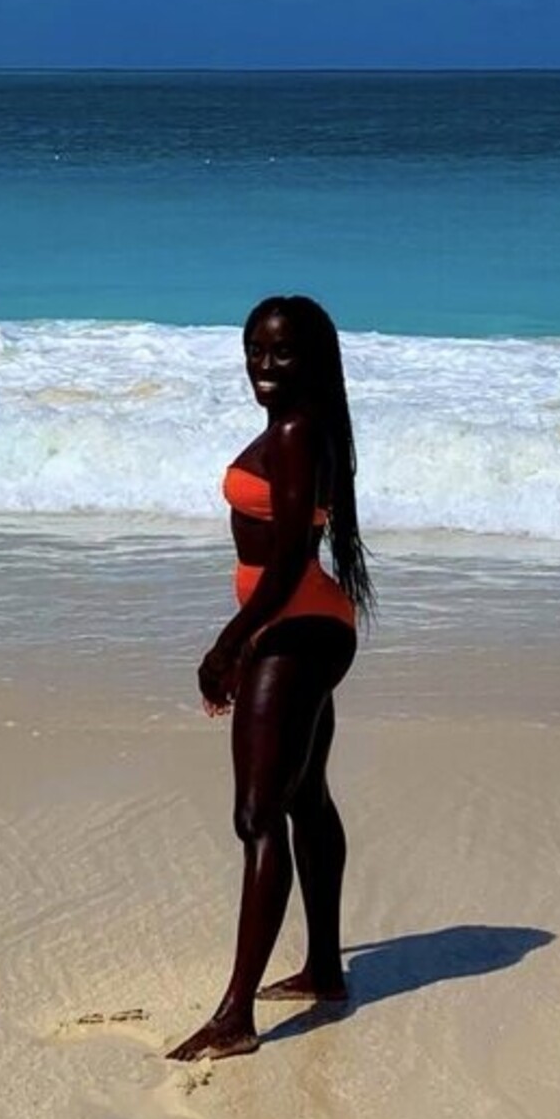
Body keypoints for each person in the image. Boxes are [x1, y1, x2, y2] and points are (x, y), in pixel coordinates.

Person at [164, 295, 373, 1063]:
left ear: (311, 358)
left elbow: (286, 560)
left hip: (295, 625)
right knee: (304, 799)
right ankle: (323, 968)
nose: (264, 364)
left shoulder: (294, 432)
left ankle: (236, 1015)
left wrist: (229, 645)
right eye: (255, 349)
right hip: (303, 621)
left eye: (282, 351)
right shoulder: (300, 427)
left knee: (257, 816)